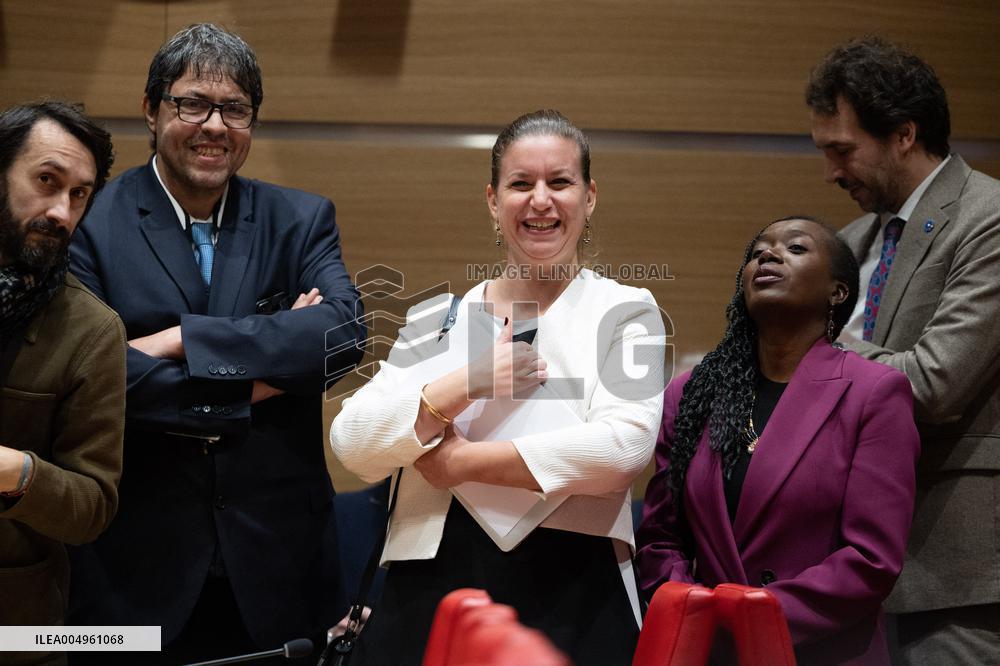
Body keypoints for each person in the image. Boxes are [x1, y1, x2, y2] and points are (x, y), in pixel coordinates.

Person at [67, 24, 365, 663]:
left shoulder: (300, 219)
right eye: (192, 103)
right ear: (151, 110)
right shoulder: (92, 224)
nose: (215, 125)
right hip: (133, 568)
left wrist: (181, 339)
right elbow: (99, 380)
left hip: (279, 563)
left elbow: (340, 334)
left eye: (235, 109)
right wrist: (268, 375)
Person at [330, 110, 665, 665]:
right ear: (492, 201)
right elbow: (352, 445)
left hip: (574, 588)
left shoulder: (626, 310)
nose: (540, 200)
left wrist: (463, 462)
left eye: (560, 182)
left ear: (590, 197)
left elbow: (624, 448)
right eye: (520, 184)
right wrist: (461, 386)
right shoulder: (435, 318)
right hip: (428, 584)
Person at [636, 216, 920, 664]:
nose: (768, 254)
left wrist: (757, 614)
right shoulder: (693, 394)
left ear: (838, 291)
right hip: (707, 647)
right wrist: (693, 606)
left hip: (820, 650)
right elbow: (659, 539)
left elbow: (871, 559)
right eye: (757, 252)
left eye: (796, 248)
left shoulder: (874, 392)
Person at [807, 36, 1000, 663]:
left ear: (904, 134)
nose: (831, 172)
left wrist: (812, 348)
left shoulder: (989, 218)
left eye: (843, 150)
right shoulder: (854, 239)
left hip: (952, 570)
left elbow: (934, 383)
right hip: (844, 572)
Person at [0, 101, 123, 666]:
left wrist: (17, 472)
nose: (61, 212)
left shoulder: (92, 330)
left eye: (80, 195)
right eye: (47, 181)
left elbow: (92, 506)